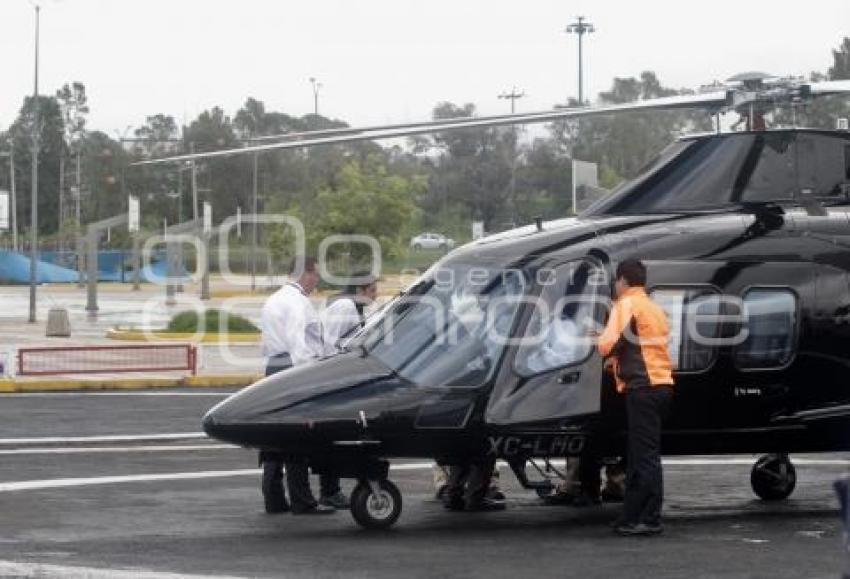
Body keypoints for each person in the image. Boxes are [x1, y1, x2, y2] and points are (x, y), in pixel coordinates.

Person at [596, 258, 674, 536]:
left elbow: (606, 344)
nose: (615, 287)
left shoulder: (626, 304)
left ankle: (650, 518)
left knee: (645, 457)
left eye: (615, 282)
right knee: (638, 454)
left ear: (623, 281)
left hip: (644, 387)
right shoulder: (653, 308)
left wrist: (596, 339)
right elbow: (643, 345)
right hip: (660, 385)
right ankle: (630, 515)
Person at [258, 256, 340, 515]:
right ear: (305, 273)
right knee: (297, 437)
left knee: (274, 437)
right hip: (294, 368)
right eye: (315, 274)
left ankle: (273, 498)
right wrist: (311, 376)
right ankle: (302, 500)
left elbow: (265, 343)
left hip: (273, 365)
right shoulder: (298, 302)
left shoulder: (273, 299)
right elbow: (299, 344)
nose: (316, 279)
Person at [322, 273, 378, 350]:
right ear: (360, 290)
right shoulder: (345, 305)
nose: (376, 295)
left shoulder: (356, 307)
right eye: (372, 290)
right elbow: (330, 344)